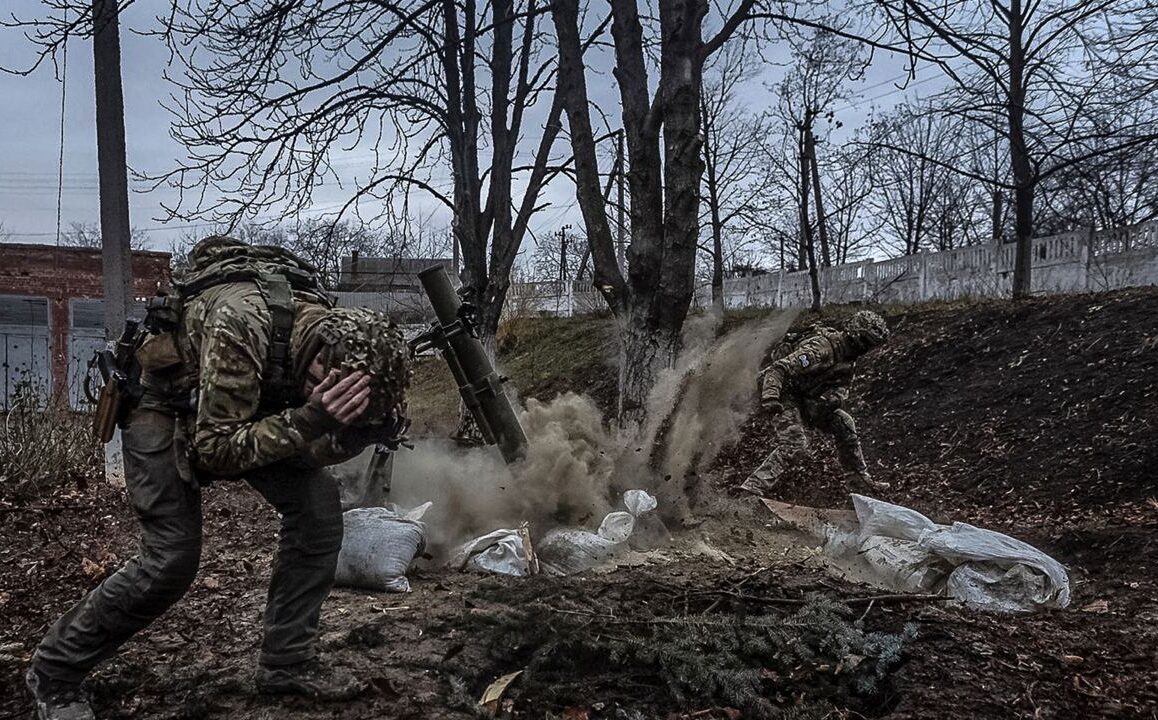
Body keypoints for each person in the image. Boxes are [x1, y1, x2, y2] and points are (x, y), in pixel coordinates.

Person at [26, 236, 411, 720]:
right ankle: (54, 672)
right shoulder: (242, 323)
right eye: (334, 397)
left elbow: (307, 446)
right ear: (317, 365)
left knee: (318, 516)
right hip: (164, 405)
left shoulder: (343, 338)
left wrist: (360, 432)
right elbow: (218, 450)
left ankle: (286, 664)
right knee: (171, 559)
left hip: (245, 411)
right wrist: (313, 419)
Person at [739, 310, 889, 497]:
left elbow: (841, 387)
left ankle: (858, 480)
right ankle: (751, 490)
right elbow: (778, 369)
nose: (867, 348)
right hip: (783, 391)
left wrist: (833, 401)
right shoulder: (821, 349)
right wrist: (771, 398)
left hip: (807, 398)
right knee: (795, 444)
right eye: (867, 342)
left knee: (844, 422)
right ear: (856, 335)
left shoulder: (848, 359)